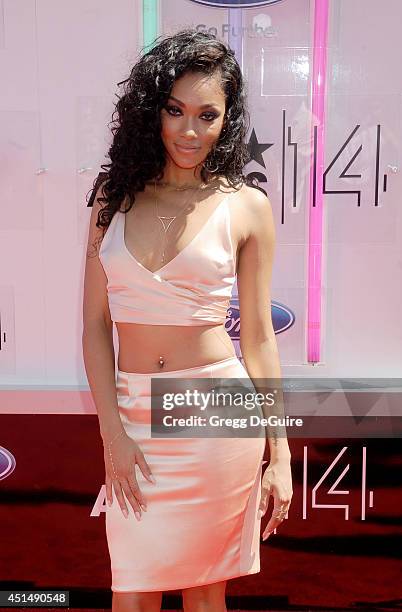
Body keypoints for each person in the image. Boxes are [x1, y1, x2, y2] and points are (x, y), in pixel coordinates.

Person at [82, 28, 293, 612]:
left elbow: (257, 338)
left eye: (208, 114)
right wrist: (112, 435)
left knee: (205, 599)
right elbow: (95, 326)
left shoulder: (245, 205)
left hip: (214, 415)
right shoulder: (112, 198)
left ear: (228, 121)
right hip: (132, 414)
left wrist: (281, 453)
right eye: (175, 111)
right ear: (153, 110)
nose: (190, 131)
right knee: (133, 595)